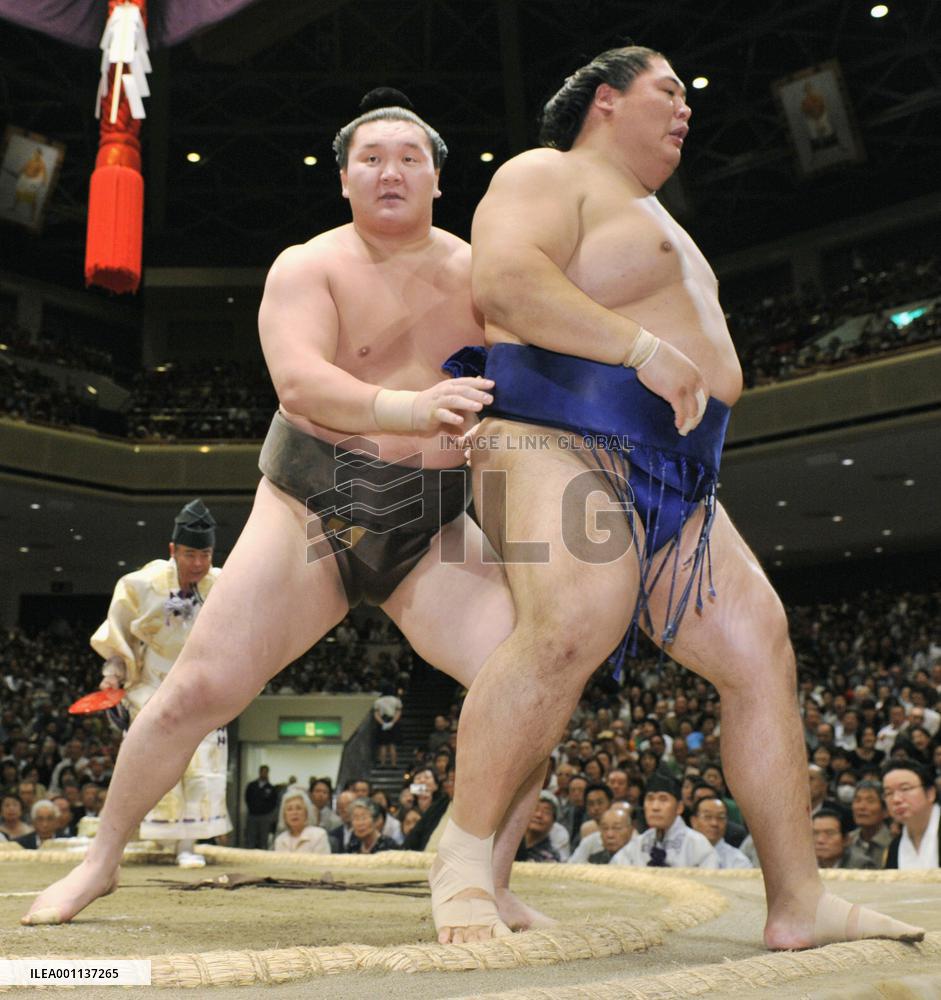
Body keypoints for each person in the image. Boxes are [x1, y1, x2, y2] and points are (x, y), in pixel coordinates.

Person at [430, 45, 924, 948]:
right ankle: (461, 854)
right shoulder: (550, 172)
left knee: (758, 647)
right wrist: (636, 348)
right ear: (604, 101)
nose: (685, 107)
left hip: (677, 469)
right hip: (551, 428)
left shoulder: (656, 214)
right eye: (668, 90)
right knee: (577, 611)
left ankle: (796, 900)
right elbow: (504, 283)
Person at [21, 89, 548, 932]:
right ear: (343, 178)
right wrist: (413, 410)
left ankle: (488, 873)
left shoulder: (485, 272)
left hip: (432, 519)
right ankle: (101, 859)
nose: (390, 170)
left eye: (410, 157)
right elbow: (301, 383)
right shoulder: (308, 265)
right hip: (317, 504)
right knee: (199, 687)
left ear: (438, 179)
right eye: (371, 157)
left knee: (531, 680)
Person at [89, 500, 231, 869]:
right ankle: (136, 837)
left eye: (205, 554)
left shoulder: (226, 586)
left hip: (202, 689)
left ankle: (187, 843)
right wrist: (112, 675)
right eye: (189, 554)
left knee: (201, 764)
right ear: (173, 550)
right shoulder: (139, 585)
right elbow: (119, 637)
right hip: (152, 685)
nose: (198, 564)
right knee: (150, 763)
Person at [613, 773, 717, 868]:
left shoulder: (697, 845)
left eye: (663, 799)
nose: (655, 807)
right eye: (650, 799)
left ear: (679, 807)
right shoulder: (638, 844)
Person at [883, 760, 940, 869]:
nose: (896, 799)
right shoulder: (894, 848)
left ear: (930, 794)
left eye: (905, 789)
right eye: (888, 793)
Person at [689, 795, 751, 869]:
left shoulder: (738, 860)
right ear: (694, 821)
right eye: (707, 816)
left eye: (721, 817)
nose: (714, 823)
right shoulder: (680, 852)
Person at [846, 780, 892, 868]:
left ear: (886, 811)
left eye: (870, 801)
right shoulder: (846, 841)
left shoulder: (893, 843)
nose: (861, 807)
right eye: (857, 800)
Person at [273, 787, 330, 854]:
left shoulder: (319, 835)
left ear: (306, 813)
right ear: (284, 815)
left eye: (299, 808)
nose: (294, 813)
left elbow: (323, 863)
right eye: (289, 809)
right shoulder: (280, 840)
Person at [244, 765, 279, 849]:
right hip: (253, 815)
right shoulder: (252, 785)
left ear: (267, 773)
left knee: (264, 838)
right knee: (251, 837)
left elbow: (274, 802)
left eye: (265, 772)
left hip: (265, 817)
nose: (264, 773)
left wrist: (267, 812)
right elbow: (247, 798)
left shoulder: (271, 788)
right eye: (262, 771)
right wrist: (252, 809)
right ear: (259, 772)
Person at [373, 683, 402, 767]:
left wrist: (383, 723)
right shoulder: (397, 700)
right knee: (392, 745)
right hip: (393, 722)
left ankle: (382, 764)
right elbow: (398, 712)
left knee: (383, 745)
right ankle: (394, 764)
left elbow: (376, 713)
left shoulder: (378, 701)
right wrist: (392, 722)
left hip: (382, 722)